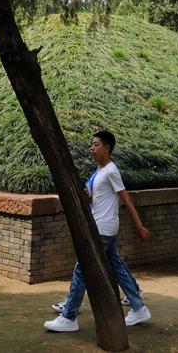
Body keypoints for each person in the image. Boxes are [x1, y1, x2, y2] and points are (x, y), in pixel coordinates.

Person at [43, 131, 152, 332]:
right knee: (116, 266)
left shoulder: (111, 170)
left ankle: (69, 317)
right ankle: (139, 308)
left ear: (107, 148)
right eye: (91, 144)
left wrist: (139, 226)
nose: (92, 148)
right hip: (102, 226)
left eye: (96, 144)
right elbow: (97, 198)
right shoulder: (99, 171)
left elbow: (126, 198)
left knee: (82, 269)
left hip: (103, 228)